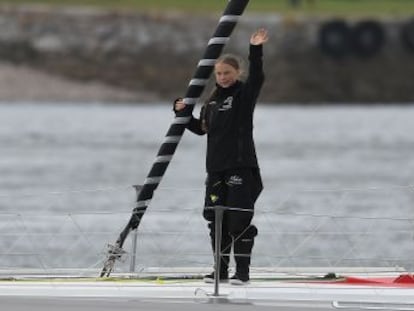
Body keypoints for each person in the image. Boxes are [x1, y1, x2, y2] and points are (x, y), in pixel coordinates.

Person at [174, 28, 269, 285]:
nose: (223, 77)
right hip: (215, 171)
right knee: (216, 221)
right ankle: (220, 272)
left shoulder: (243, 96)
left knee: (238, 221)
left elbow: (258, 76)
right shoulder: (211, 103)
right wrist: (180, 111)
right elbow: (201, 129)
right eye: (218, 74)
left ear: (237, 73)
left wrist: (255, 49)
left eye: (227, 73)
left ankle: (243, 273)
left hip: (241, 168)